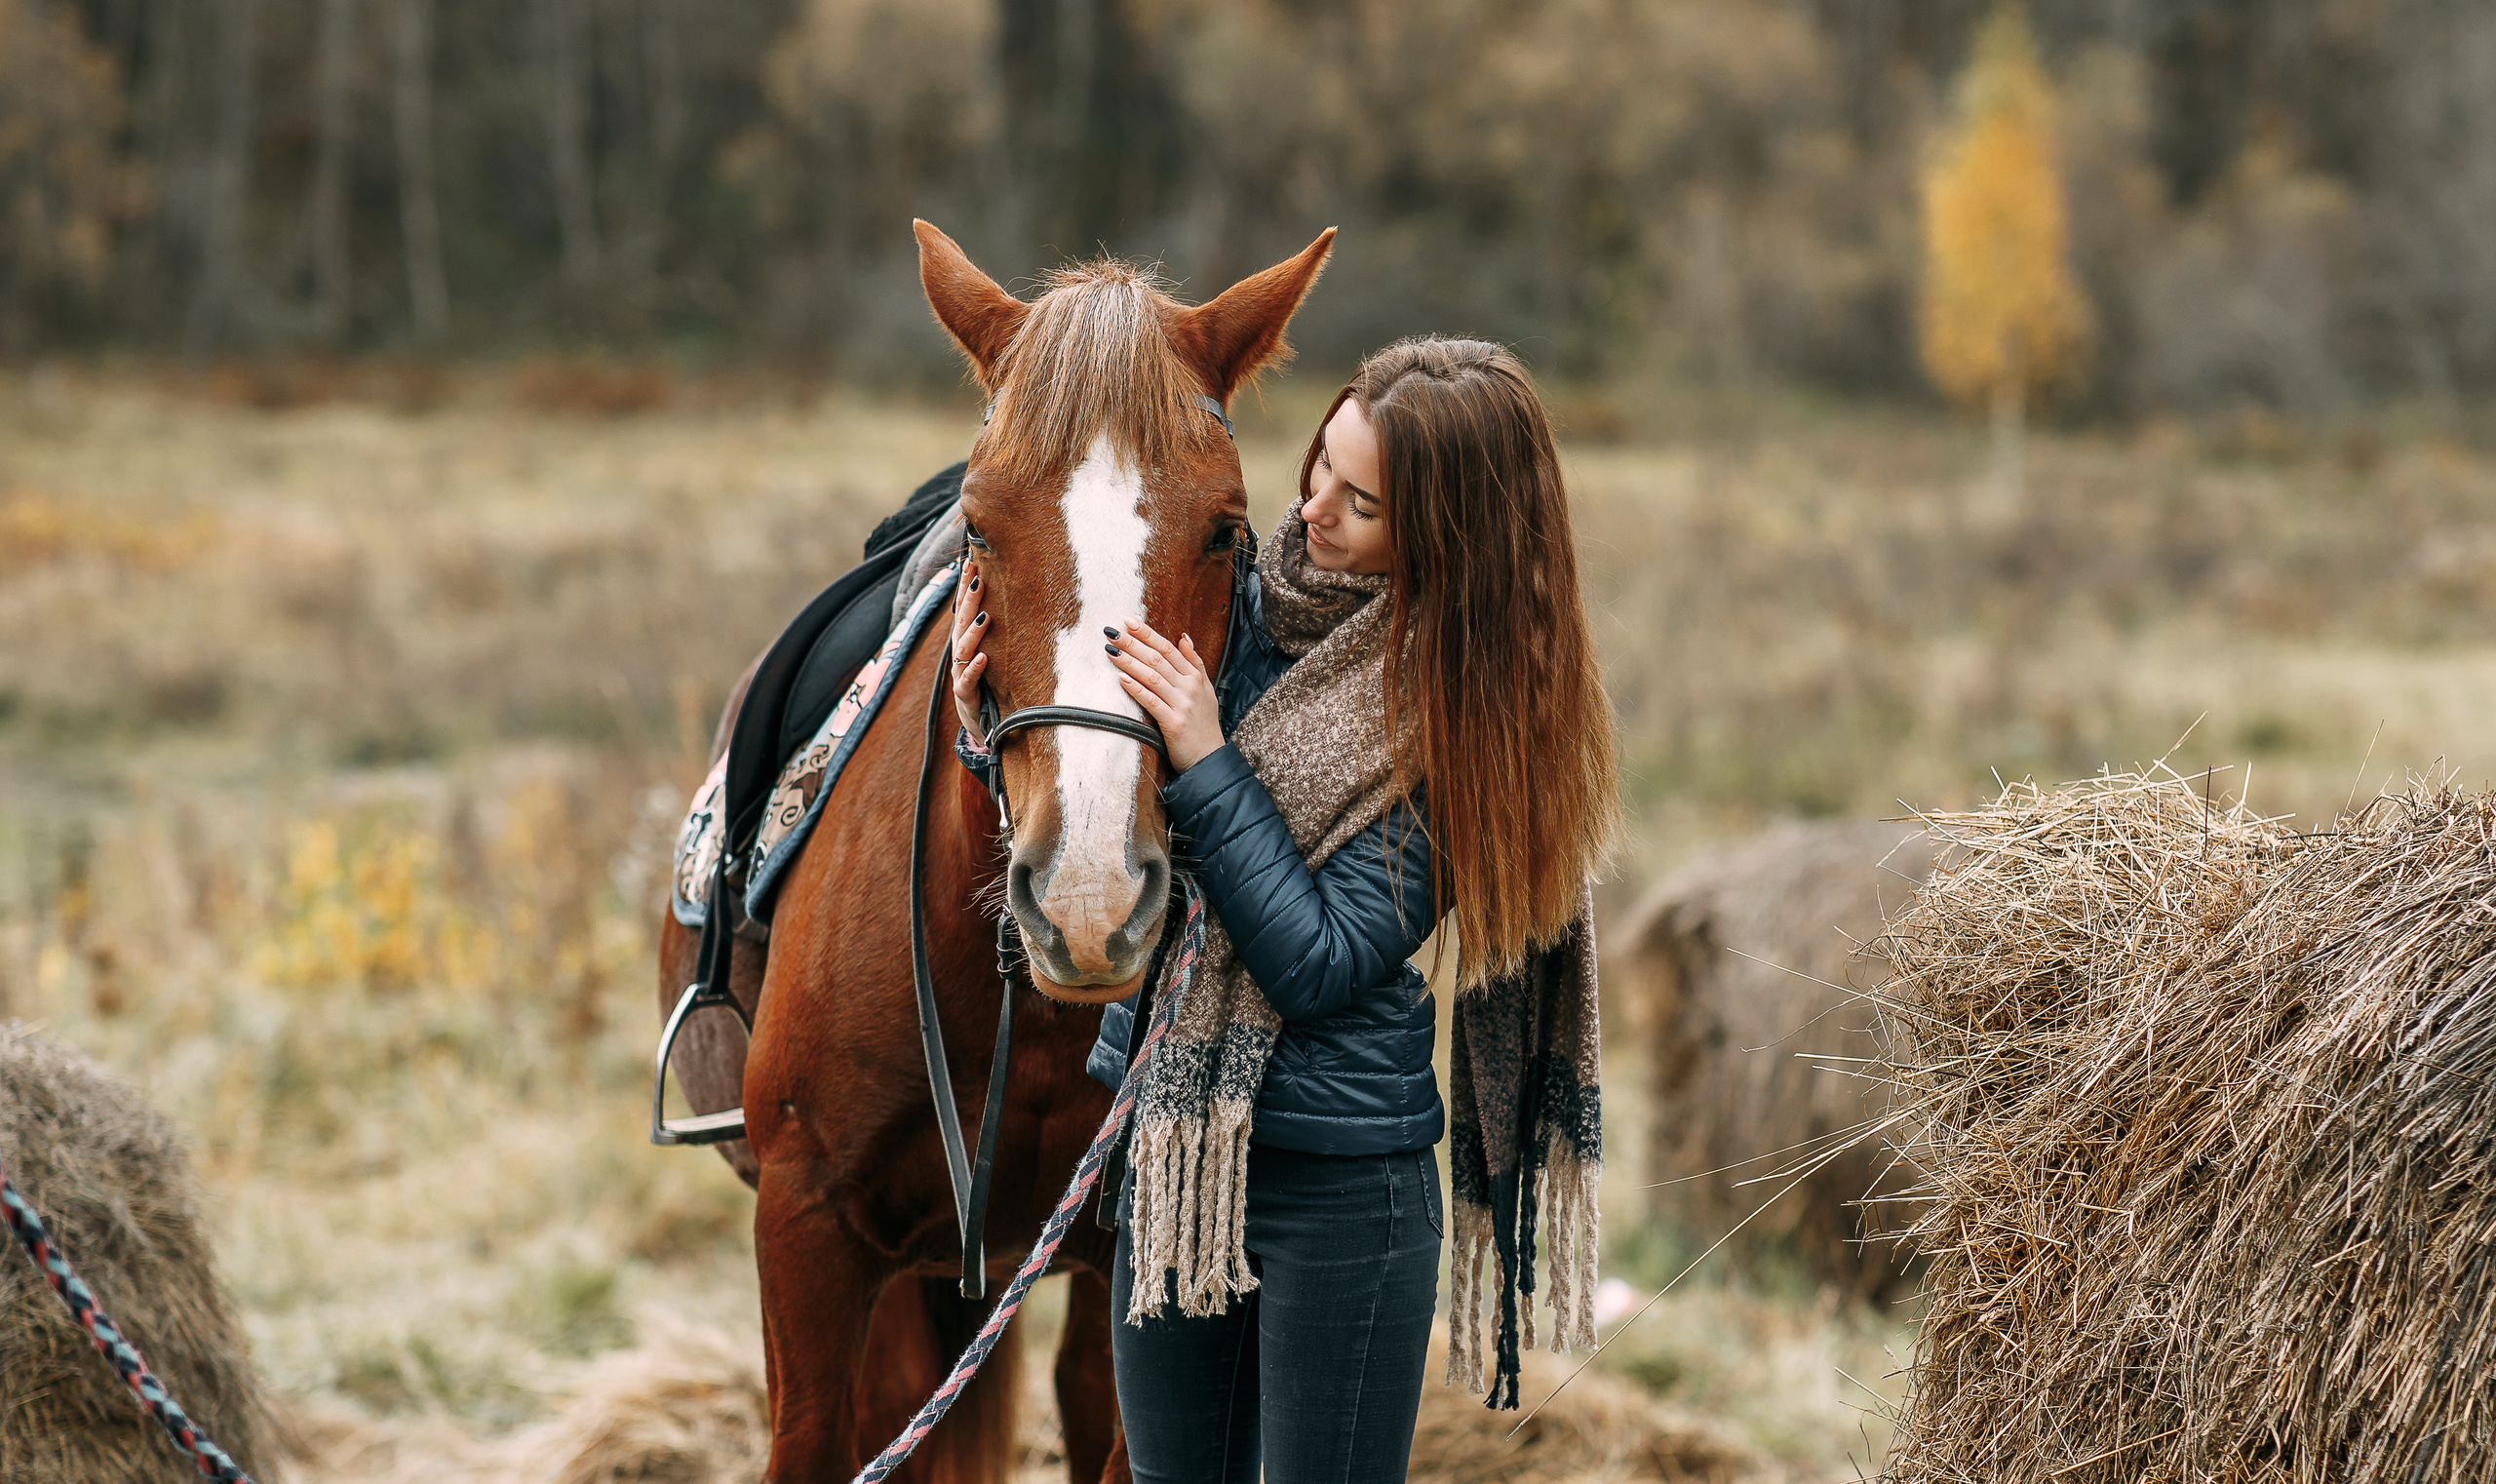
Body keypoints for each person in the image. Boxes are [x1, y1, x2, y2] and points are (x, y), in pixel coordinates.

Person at [949, 336, 1618, 1483]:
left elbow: (1314, 959)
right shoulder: (1240, 603)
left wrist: (1207, 755)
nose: (1312, 511)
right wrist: (989, 723)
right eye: (1319, 465)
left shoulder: (1468, 722)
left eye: (1360, 504)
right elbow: (1115, 791)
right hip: (1178, 1152)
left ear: (1445, 541)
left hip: (1340, 1193)